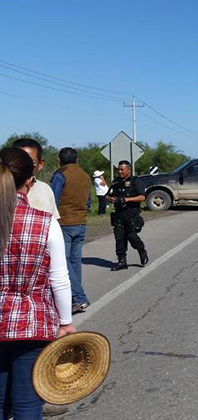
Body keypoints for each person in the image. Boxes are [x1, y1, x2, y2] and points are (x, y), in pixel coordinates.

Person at [0, 147, 76, 420]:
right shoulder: (45, 223)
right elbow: (59, 278)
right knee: (27, 404)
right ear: (30, 180)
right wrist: (65, 322)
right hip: (32, 322)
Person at [50, 148, 92, 313]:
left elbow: (53, 199)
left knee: (63, 262)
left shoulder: (60, 175)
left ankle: (79, 297)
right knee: (75, 261)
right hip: (81, 221)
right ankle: (74, 298)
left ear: (59, 159)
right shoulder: (85, 176)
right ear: (77, 159)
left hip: (64, 222)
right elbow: (88, 201)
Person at [106, 160, 148, 271]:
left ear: (128, 170)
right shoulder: (116, 182)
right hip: (119, 214)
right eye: (118, 169)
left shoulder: (136, 182)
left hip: (132, 214)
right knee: (119, 238)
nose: (120, 171)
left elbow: (142, 197)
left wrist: (127, 199)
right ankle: (122, 262)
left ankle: (141, 250)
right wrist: (110, 198)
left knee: (132, 237)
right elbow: (108, 195)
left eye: (122, 169)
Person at [11, 138, 60, 220]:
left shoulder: (45, 190)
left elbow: (53, 221)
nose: (25, 167)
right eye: (20, 162)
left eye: (31, 163)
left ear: (40, 164)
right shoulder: (3, 189)